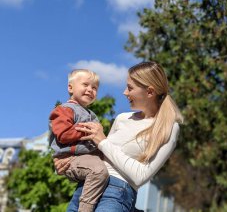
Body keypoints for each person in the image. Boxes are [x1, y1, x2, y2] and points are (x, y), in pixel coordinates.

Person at [54, 61, 184, 212]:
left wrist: (103, 141)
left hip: (117, 192)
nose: (125, 92)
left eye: (130, 88)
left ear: (149, 92)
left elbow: (141, 176)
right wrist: (67, 162)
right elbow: (101, 157)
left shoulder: (169, 127)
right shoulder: (122, 118)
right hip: (86, 187)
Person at [48, 69, 109, 212]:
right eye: (85, 85)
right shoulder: (64, 110)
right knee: (98, 170)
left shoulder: (91, 114)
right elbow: (63, 134)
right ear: (70, 87)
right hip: (70, 158)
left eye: (94, 88)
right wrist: (89, 130)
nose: (90, 90)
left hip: (86, 158)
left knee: (104, 166)